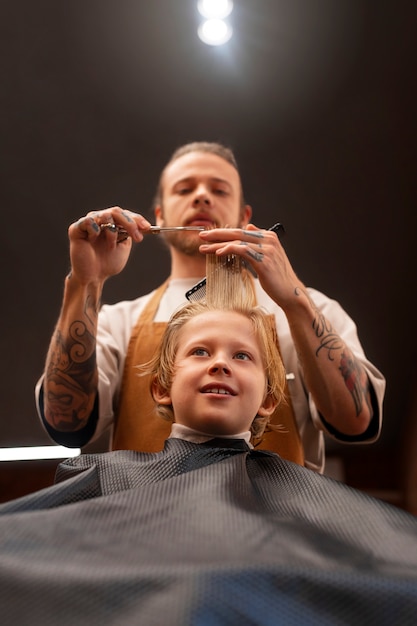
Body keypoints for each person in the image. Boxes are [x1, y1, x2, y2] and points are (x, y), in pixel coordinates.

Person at [3, 299, 417, 625]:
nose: (220, 362)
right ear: (162, 388)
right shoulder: (108, 475)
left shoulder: (304, 493)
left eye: (242, 357)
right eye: (200, 351)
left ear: (269, 400)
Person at [35, 141, 385, 472]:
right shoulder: (118, 323)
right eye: (185, 189)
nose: (202, 196)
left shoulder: (312, 308)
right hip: (145, 527)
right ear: (159, 213)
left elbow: (355, 422)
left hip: (275, 531)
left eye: (219, 190)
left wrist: (295, 301)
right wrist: (86, 283)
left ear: (243, 214)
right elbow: (67, 423)